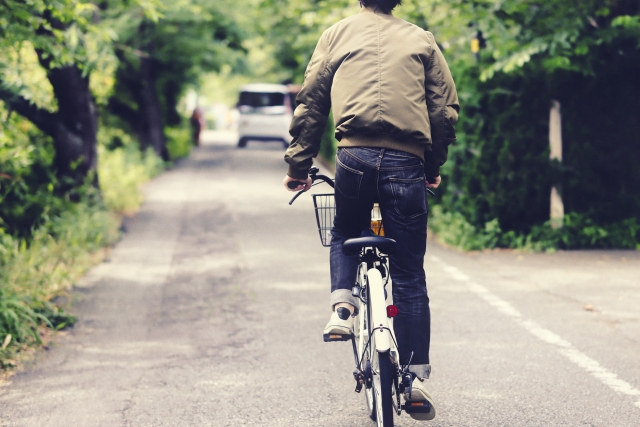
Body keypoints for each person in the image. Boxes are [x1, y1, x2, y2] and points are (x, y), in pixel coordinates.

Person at [283, 0, 459, 421]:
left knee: (345, 230)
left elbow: (311, 102)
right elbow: (443, 111)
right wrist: (431, 166)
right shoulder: (422, 39)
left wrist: (299, 166)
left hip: (354, 158)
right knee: (410, 274)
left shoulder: (337, 34)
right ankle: (414, 377)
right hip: (407, 161)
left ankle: (342, 308)